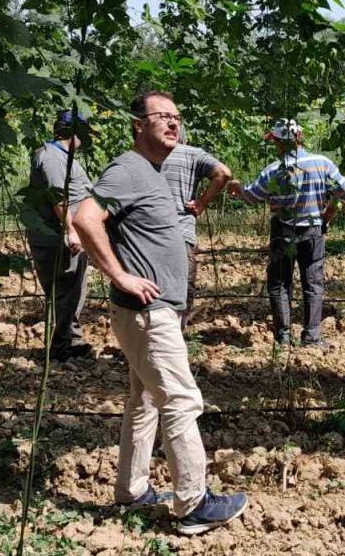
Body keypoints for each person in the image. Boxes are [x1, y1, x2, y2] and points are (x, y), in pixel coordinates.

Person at [72, 90, 248, 536]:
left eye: (176, 117)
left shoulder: (152, 170)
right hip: (148, 314)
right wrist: (120, 276)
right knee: (182, 400)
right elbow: (85, 218)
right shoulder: (127, 169)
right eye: (162, 117)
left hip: (153, 312)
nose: (173, 124)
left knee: (145, 400)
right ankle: (193, 505)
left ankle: (131, 490)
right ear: (138, 124)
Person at [226, 119, 345, 348]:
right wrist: (328, 213)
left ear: (277, 142)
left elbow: (252, 197)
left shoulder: (273, 171)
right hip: (314, 229)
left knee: (279, 283)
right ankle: (312, 336)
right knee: (313, 283)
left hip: (283, 230)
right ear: (300, 137)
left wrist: (236, 188)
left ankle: (283, 336)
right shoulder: (323, 163)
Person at [26, 110, 93, 362]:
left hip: (64, 234)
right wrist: (71, 230)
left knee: (73, 290)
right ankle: (62, 348)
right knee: (67, 292)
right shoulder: (52, 157)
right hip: (56, 237)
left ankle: (71, 341)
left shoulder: (62, 156)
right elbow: (58, 195)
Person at [161, 136, 232, 329]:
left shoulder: (139, 155)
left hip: (146, 233)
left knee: (151, 287)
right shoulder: (192, 154)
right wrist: (203, 201)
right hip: (180, 231)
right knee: (182, 285)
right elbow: (224, 173)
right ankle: (177, 333)